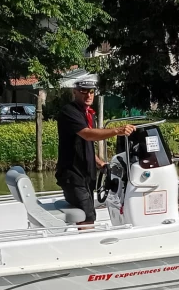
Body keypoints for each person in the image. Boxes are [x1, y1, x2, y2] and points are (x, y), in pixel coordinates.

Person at [56, 80, 135, 226]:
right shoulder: (69, 112)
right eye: (83, 91)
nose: (88, 95)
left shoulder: (87, 114)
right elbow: (88, 135)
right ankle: (88, 246)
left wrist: (100, 163)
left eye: (91, 92)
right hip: (73, 176)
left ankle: (84, 241)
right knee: (87, 216)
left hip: (86, 176)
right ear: (75, 92)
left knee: (88, 213)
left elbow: (85, 145)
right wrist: (118, 131)